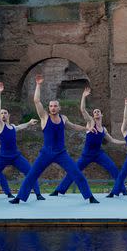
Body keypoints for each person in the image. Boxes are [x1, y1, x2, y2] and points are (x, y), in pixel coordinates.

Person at [12, 75, 99, 204]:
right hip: (46, 153)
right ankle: (19, 197)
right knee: (31, 175)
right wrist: (38, 85)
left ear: (59, 108)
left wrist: (87, 129)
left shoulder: (63, 119)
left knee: (77, 173)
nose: (53, 108)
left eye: (55, 106)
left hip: (61, 153)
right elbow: (36, 101)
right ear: (49, 108)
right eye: (51, 106)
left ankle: (90, 197)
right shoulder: (44, 117)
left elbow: (73, 126)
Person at [50, 87, 127, 196]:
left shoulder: (104, 129)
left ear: (101, 115)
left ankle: (122, 189)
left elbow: (113, 140)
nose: (96, 112)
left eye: (98, 111)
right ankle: (59, 190)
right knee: (74, 171)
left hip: (99, 154)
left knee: (113, 168)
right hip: (86, 154)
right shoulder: (91, 122)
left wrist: (125, 142)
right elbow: (82, 110)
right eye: (94, 112)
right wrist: (83, 96)